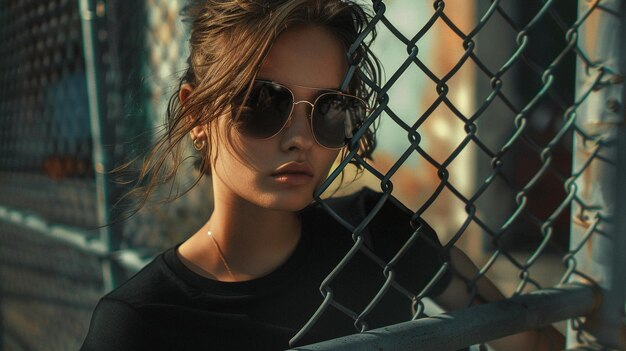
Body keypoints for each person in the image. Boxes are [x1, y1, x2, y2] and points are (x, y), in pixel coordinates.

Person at [80, 1, 563, 350]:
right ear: (197, 115)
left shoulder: (377, 235)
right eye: (263, 103)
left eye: (331, 110)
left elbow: (528, 338)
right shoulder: (139, 324)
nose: (300, 139)